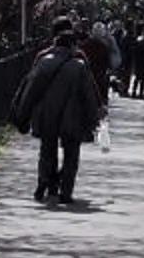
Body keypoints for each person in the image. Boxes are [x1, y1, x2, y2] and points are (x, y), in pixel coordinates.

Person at [10, 20, 105, 204]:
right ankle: (66, 190)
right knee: (71, 153)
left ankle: (45, 183)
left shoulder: (42, 59)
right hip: (73, 115)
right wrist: (94, 117)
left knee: (47, 150)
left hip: (46, 114)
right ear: (72, 44)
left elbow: (30, 89)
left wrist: (23, 114)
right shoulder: (78, 62)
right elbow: (89, 91)